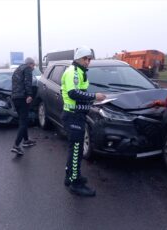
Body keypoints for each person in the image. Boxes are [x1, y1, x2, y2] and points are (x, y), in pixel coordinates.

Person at [61, 46, 106, 197]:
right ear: (78, 59)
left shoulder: (80, 72)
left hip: (78, 115)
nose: (88, 62)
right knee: (76, 151)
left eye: (89, 59)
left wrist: (91, 102)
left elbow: (81, 94)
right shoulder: (72, 72)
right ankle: (75, 184)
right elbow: (73, 93)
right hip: (72, 116)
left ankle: (71, 176)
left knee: (76, 149)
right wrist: (94, 97)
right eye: (85, 59)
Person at [10, 57, 37, 155]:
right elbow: (28, 83)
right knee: (23, 122)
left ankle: (26, 140)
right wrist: (29, 95)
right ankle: (16, 145)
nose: (34, 67)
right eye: (34, 65)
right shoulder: (27, 69)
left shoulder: (17, 70)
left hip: (15, 98)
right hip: (22, 98)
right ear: (30, 64)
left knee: (23, 119)